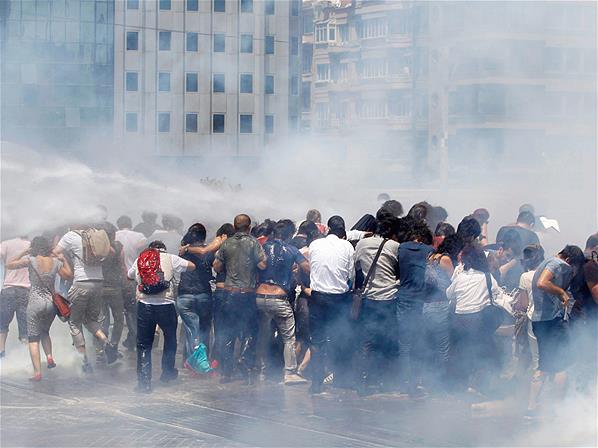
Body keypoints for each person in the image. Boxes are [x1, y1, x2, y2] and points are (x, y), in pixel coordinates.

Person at [128, 240, 196, 393]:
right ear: (163, 250)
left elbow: (129, 275)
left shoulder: (141, 259)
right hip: (166, 305)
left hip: (145, 305)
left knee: (144, 344)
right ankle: (167, 373)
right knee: (170, 339)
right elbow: (192, 266)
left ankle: (144, 383)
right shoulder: (171, 258)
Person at [526, 245, 585, 417]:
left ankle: (531, 408)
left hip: (539, 320)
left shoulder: (546, 261)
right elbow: (542, 283)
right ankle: (559, 409)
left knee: (543, 365)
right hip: (551, 321)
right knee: (563, 363)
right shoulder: (559, 264)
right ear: (570, 260)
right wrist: (561, 292)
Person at [6, 237, 72, 381]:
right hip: (50, 303)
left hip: (35, 302)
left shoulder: (30, 260)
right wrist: (64, 259)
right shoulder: (55, 262)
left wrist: (24, 251)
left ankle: (37, 373)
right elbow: (68, 275)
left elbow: (9, 265)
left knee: (33, 338)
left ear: (34, 247)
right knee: (45, 331)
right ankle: (49, 357)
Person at [53, 226, 118, 372]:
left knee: (74, 322)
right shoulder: (96, 233)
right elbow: (112, 252)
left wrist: (64, 260)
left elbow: (55, 252)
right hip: (98, 282)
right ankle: (107, 343)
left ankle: (84, 361)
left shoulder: (70, 235)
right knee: (91, 320)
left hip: (81, 282)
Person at [213, 214, 266, 384]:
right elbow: (262, 264)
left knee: (229, 332)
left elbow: (217, 266)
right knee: (250, 331)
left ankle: (226, 372)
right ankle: (244, 360)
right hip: (247, 294)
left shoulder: (226, 243)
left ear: (235, 227)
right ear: (249, 227)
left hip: (229, 294)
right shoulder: (253, 243)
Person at [256, 219, 309, 385]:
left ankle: (261, 369)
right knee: (288, 337)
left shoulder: (263, 247)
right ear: (289, 235)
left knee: (263, 335)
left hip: (259, 297)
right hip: (279, 298)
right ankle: (290, 372)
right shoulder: (291, 249)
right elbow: (307, 267)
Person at [307, 216, 355, 394]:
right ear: (343, 230)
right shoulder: (348, 246)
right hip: (339, 298)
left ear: (327, 229)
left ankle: (316, 382)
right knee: (340, 338)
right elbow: (350, 275)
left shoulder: (315, 245)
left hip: (318, 297)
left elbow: (314, 267)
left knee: (317, 341)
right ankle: (340, 379)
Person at [446, 243, 502, 394]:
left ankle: (460, 386)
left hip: (459, 321)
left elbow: (449, 295)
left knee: (460, 353)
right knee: (482, 353)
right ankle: (479, 385)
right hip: (479, 322)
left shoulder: (460, 278)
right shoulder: (487, 277)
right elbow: (497, 295)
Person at [354, 215, 400, 395]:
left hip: (369, 299)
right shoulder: (394, 246)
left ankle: (363, 382)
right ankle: (385, 381)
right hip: (389, 298)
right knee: (388, 341)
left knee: (367, 342)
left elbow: (356, 267)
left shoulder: (362, 244)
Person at [395, 220, 434, 396]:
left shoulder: (401, 249)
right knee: (418, 342)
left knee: (404, 343)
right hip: (421, 301)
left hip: (403, 298)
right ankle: (417, 380)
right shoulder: (429, 251)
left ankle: (404, 381)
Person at [421, 234, 463, 392]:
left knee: (430, 345)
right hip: (440, 306)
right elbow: (455, 281)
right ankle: (441, 384)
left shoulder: (431, 256)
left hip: (427, 306)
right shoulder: (445, 260)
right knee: (443, 347)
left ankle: (429, 381)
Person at [177, 223, 215, 363]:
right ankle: (202, 361)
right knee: (205, 329)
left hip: (185, 293)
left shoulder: (183, 250)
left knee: (191, 331)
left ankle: (190, 361)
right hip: (203, 293)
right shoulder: (207, 251)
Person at [115, 215, 147, 351]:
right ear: (130, 224)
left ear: (118, 225)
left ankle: (131, 337)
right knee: (133, 310)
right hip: (134, 277)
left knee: (123, 310)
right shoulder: (139, 236)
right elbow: (144, 248)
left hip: (118, 278)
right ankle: (134, 337)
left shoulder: (114, 235)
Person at [97, 227, 126, 362]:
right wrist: (126, 282)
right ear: (113, 235)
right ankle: (113, 345)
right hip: (115, 287)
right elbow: (122, 265)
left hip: (100, 287)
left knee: (103, 319)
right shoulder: (118, 247)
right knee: (118, 319)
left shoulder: (97, 249)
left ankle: (101, 347)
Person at [0, 235, 31, 357]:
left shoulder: (6, 243)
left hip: (8, 288)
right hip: (25, 289)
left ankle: (1, 353)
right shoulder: (31, 245)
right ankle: (26, 357)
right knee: (24, 326)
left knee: (2, 324)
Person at [517, 244, 545, 373]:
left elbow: (523, 304)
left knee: (536, 361)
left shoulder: (525, 277)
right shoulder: (548, 274)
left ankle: (533, 388)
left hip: (534, 320)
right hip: (550, 319)